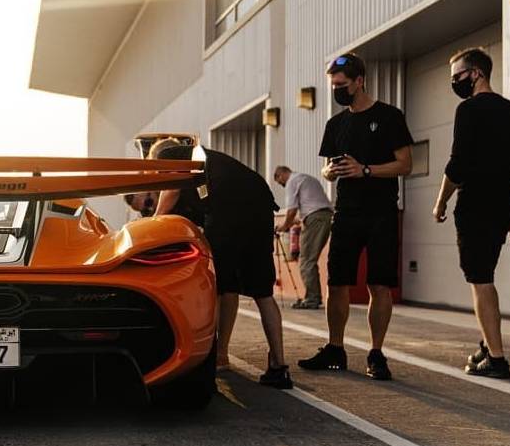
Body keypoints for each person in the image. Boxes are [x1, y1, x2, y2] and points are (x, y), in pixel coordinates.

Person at [298, 53, 413, 380]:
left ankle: (376, 353)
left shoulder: (389, 116)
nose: (337, 90)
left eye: (342, 85)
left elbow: (406, 165)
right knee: (336, 283)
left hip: (381, 214)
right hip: (346, 213)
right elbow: (326, 168)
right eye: (333, 85)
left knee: (379, 285)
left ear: (359, 81)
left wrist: (366, 170)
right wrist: (330, 172)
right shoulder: (336, 124)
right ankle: (335, 348)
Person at [151, 139, 292, 389]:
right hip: (260, 208)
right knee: (261, 292)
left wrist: (151, 225)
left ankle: (210, 362)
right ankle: (279, 366)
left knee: (217, 288)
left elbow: (168, 197)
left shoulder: (171, 155)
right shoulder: (208, 161)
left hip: (228, 213)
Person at [432, 47, 510, 379]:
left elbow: (458, 164)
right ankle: (487, 342)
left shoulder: (468, 110)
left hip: (475, 205)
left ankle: (497, 359)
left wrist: (440, 201)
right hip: (502, 205)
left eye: (457, 76)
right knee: (485, 274)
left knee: (480, 280)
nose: (455, 83)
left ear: (476, 73)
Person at [273, 166, 333, 310]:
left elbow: (292, 210)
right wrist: (289, 223)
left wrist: (284, 226)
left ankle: (312, 299)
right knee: (310, 259)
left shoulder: (292, 181)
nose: (282, 185)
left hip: (315, 219)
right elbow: (309, 207)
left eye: (280, 182)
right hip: (325, 217)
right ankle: (313, 296)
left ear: (280, 175)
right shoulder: (307, 178)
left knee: (306, 260)